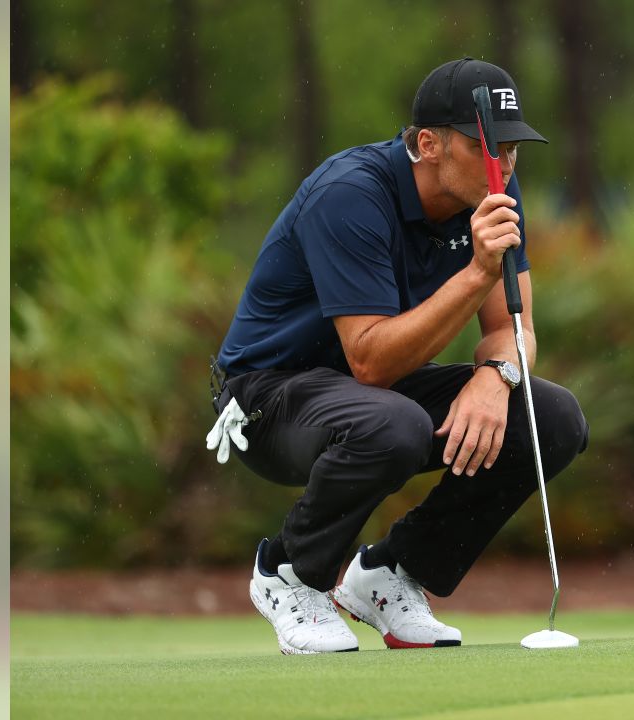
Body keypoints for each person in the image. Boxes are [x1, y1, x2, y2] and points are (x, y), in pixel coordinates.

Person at [204, 58, 588, 655]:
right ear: (428, 143)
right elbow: (371, 363)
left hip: (367, 399)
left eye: (512, 149)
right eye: (486, 147)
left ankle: (390, 572)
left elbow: (515, 329)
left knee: (549, 417)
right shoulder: (350, 194)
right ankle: (289, 573)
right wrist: (477, 271)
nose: (503, 166)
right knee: (393, 423)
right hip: (266, 398)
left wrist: (497, 379)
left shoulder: (493, 192)